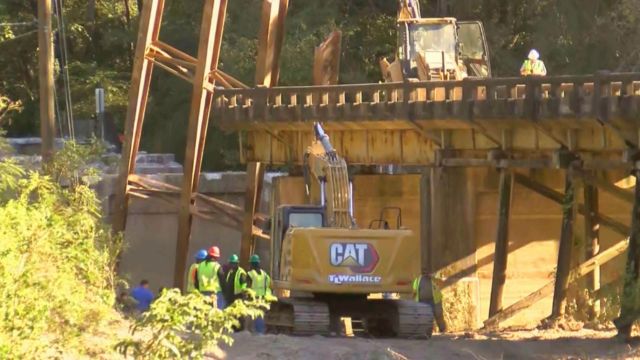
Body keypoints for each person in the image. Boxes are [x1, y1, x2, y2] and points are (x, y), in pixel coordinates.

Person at [246, 254, 275, 334]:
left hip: (252, 298)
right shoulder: (264, 274)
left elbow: (247, 287)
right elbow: (270, 284)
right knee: (260, 315)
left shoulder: (250, 274)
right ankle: (260, 331)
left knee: (251, 315)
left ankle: (252, 331)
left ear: (252, 264)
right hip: (262, 298)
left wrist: (245, 295)